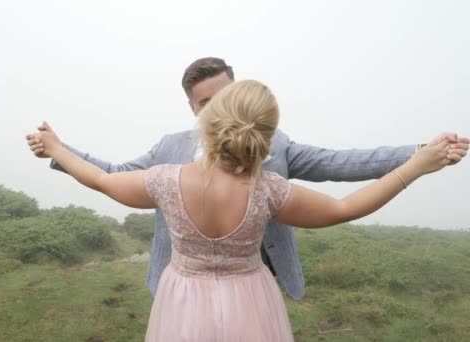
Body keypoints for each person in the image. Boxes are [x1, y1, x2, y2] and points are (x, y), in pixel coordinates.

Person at [30, 80, 463, 341]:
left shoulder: (164, 180)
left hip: (183, 299)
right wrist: (416, 167)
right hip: (251, 299)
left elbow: (102, 179)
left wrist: (56, 148)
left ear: (208, 121)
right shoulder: (269, 191)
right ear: (267, 132)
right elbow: (345, 207)